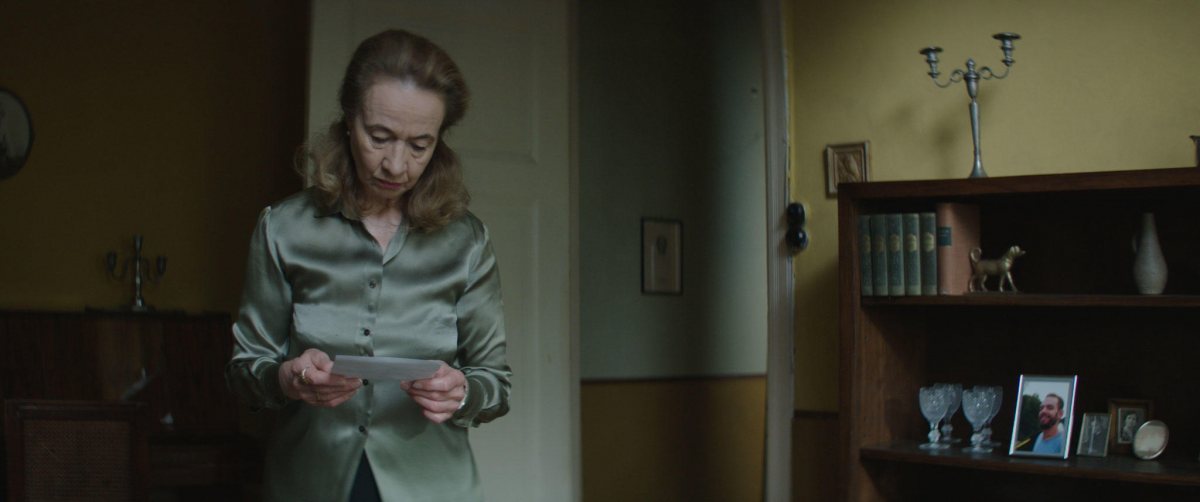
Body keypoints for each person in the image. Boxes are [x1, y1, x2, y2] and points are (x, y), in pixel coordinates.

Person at [226, 29, 511, 502]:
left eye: (420, 145)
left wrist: (462, 392)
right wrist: (287, 377)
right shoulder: (283, 229)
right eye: (379, 137)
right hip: (309, 482)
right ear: (348, 120)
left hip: (433, 486)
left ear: (440, 143)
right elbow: (243, 371)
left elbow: (495, 383)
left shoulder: (467, 241)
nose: (396, 164)